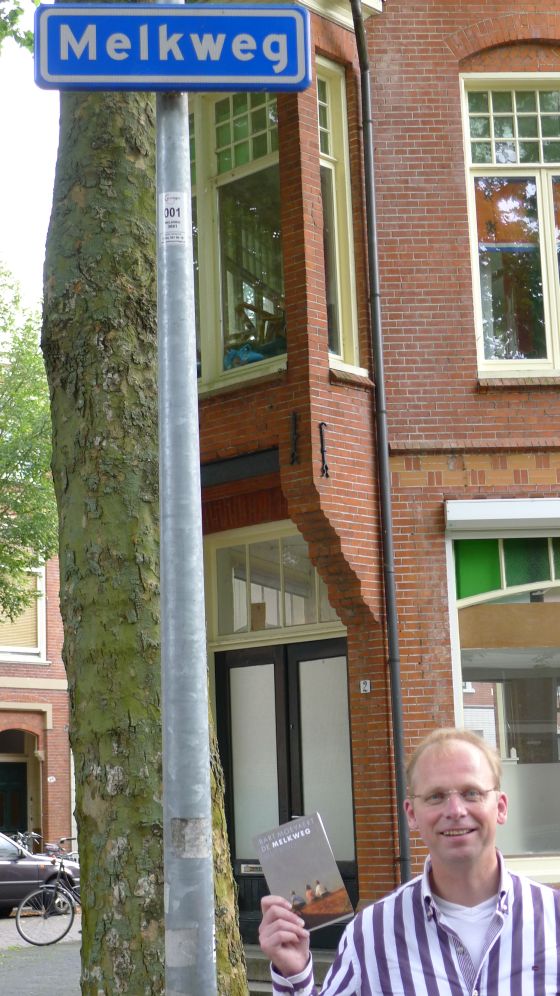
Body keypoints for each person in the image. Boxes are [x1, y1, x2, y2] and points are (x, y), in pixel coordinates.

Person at [259, 727, 560, 994]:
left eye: (471, 793)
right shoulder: (371, 934)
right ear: (412, 814)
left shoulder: (554, 920)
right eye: (436, 796)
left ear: (501, 807)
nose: (455, 810)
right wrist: (295, 974)